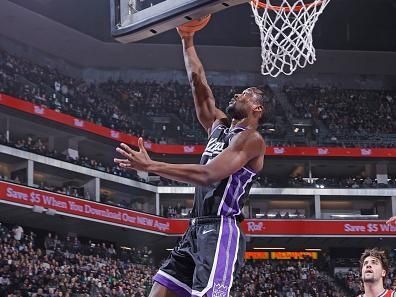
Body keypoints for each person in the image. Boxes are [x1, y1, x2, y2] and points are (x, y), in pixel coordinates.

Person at [114, 27, 267, 297]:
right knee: (159, 291)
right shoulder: (219, 127)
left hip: (221, 230)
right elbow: (200, 87)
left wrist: (151, 167)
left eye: (245, 94)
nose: (237, 95)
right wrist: (187, 40)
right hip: (194, 228)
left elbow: (208, 175)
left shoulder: (251, 139)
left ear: (257, 109)